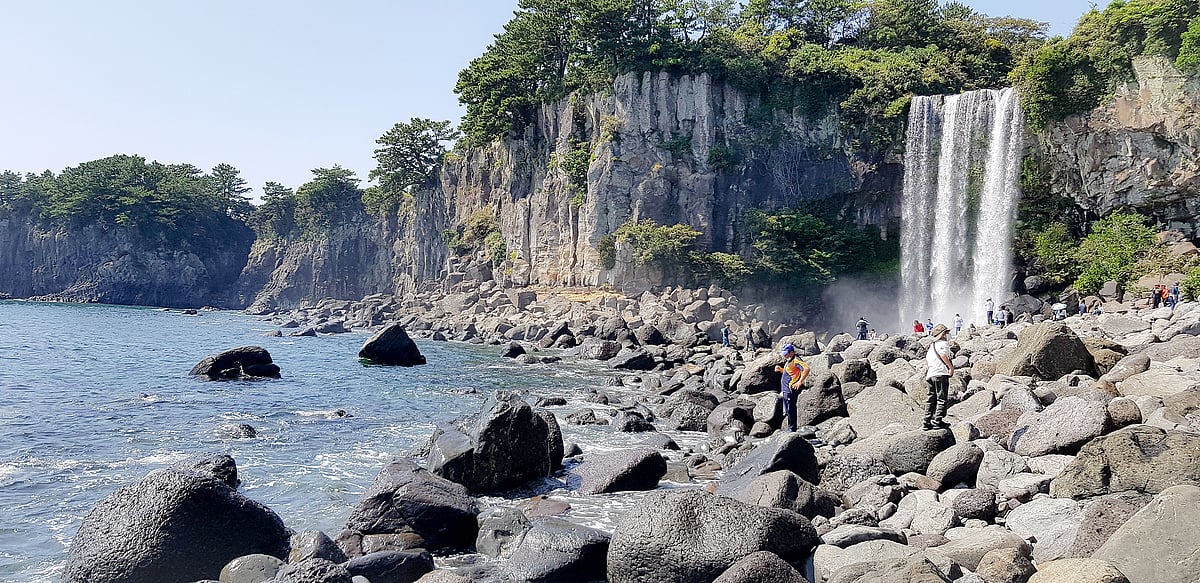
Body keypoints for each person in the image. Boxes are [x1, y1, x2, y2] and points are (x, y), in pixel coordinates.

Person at [773, 343, 811, 433]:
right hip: (786, 389)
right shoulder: (789, 360)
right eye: (784, 353)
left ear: (792, 352)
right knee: (787, 409)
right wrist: (780, 370)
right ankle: (790, 427)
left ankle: (792, 428)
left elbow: (806, 369)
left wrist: (799, 382)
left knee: (791, 408)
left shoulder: (796, 360)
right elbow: (791, 373)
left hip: (791, 389)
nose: (785, 355)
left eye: (786, 353)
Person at [923, 324, 954, 430]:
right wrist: (951, 368)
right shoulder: (943, 344)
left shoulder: (932, 346)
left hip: (930, 375)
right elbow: (943, 355)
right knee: (942, 398)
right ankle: (937, 421)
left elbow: (927, 360)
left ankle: (926, 422)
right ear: (941, 335)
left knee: (931, 399)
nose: (947, 335)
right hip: (940, 374)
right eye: (946, 333)